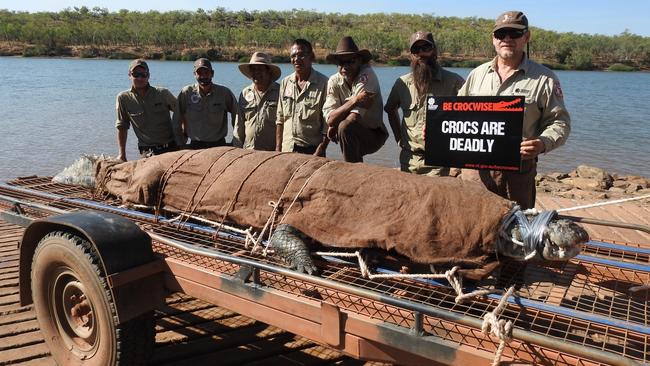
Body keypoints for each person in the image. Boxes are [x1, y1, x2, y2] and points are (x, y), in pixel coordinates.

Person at [457, 11, 570, 209]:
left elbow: (559, 122)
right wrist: (435, 129)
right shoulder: (477, 74)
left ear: (526, 37)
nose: (507, 39)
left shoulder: (545, 78)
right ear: (494, 39)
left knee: (516, 233)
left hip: (517, 174)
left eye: (515, 33)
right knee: (472, 231)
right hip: (475, 172)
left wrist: (543, 143)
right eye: (501, 34)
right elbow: (454, 114)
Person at [384, 31, 465, 176]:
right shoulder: (402, 83)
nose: (421, 53)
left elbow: (472, 115)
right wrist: (399, 139)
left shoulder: (454, 82)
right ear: (411, 55)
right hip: (408, 159)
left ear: (434, 51)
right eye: (416, 49)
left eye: (426, 48)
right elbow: (390, 109)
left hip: (439, 160)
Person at [323, 36, 388, 163]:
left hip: (374, 134)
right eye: (341, 63)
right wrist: (354, 100)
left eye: (350, 61)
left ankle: (351, 171)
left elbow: (354, 118)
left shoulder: (367, 75)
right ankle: (355, 169)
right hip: (351, 132)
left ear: (359, 61)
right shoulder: (333, 81)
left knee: (344, 126)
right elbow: (330, 119)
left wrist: (335, 123)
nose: (345, 67)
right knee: (344, 127)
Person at [115, 59, 178, 161]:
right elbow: (122, 127)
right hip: (147, 152)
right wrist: (122, 154)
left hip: (171, 148)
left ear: (148, 76)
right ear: (129, 75)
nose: (140, 78)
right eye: (136, 74)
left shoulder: (163, 93)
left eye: (143, 75)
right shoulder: (123, 98)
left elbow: (183, 113)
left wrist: (183, 135)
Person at [276, 39, 329, 157]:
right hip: (287, 150)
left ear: (312, 57)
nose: (296, 59)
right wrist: (278, 148)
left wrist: (321, 149)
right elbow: (280, 119)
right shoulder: (285, 82)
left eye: (301, 55)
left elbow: (328, 124)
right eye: (293, 56)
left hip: (312, 151)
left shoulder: (324, 83)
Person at [174, 58, 237, 149]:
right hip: (195, 146)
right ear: (194, 74)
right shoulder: (186, 93)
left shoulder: (224, 93)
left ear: (212, 73)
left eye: (206, 72)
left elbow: (238, 117)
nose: (203, 76)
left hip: (219, 146)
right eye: (200, 73)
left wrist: (235, 142)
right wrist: (180, 144)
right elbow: (176, 120)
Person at [234, 52, 281, 151]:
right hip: (249, 152)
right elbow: (239, 126)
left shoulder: (280, 92)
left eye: (260, 69)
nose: (256, 73)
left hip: (273, 153)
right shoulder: (245, 94)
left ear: (269, 71)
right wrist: (236, 150)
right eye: (253, 69)